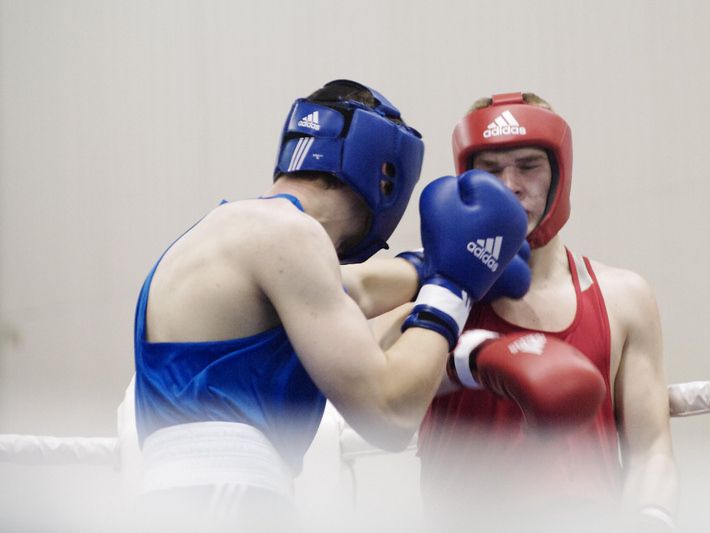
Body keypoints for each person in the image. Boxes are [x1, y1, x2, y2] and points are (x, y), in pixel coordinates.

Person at [130, 80, 529, 531]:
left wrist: (437, 264)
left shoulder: (229, 233)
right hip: (226, 499)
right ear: (387, 175)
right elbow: (388, 412)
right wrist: (454, 287)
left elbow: (357, 290)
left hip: (179, 501)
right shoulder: (291, 235)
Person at [411, 92, 679, 532]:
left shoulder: (622, 298)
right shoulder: (433, 293)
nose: (510, 184)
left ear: (560, 173)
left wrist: (651, 519)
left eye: (528, 165)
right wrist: (467, 358)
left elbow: (651, 450)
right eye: (490, 170)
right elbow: (379, 398)